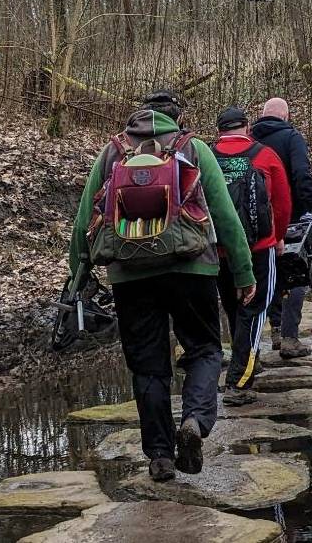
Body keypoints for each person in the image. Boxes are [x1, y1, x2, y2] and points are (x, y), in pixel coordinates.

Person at [67, 90, 255, 483]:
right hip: (192, 270)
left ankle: (160, 457)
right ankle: (195, 422)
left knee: (148, 367)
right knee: (204, 349)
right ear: (178, 120)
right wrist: (243, 273)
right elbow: (225, 215)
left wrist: (78, 276)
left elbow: (85, 217)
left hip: (130, 276)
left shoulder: (113, 152)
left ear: (135, 119)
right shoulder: (194, 149)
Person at [211, 107, 292, 406]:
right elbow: (283, 203)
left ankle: (245, 361)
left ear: (219, 129)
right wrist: (279, 236)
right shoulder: (266, 155)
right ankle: (239, 381)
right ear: (247, 127)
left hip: (219, 250)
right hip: (259, 248)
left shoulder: (206, 157)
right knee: (256, 310)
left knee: (234, 308)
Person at [251, 97, 312, 358]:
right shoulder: (292, 137)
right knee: (297, 272)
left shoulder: (251, 141)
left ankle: (276, 330)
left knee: (269, 272)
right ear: (286, 116)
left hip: (258, 220)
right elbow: (302, 174)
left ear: (262, 114)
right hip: (292, 215)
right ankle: (290, 338)